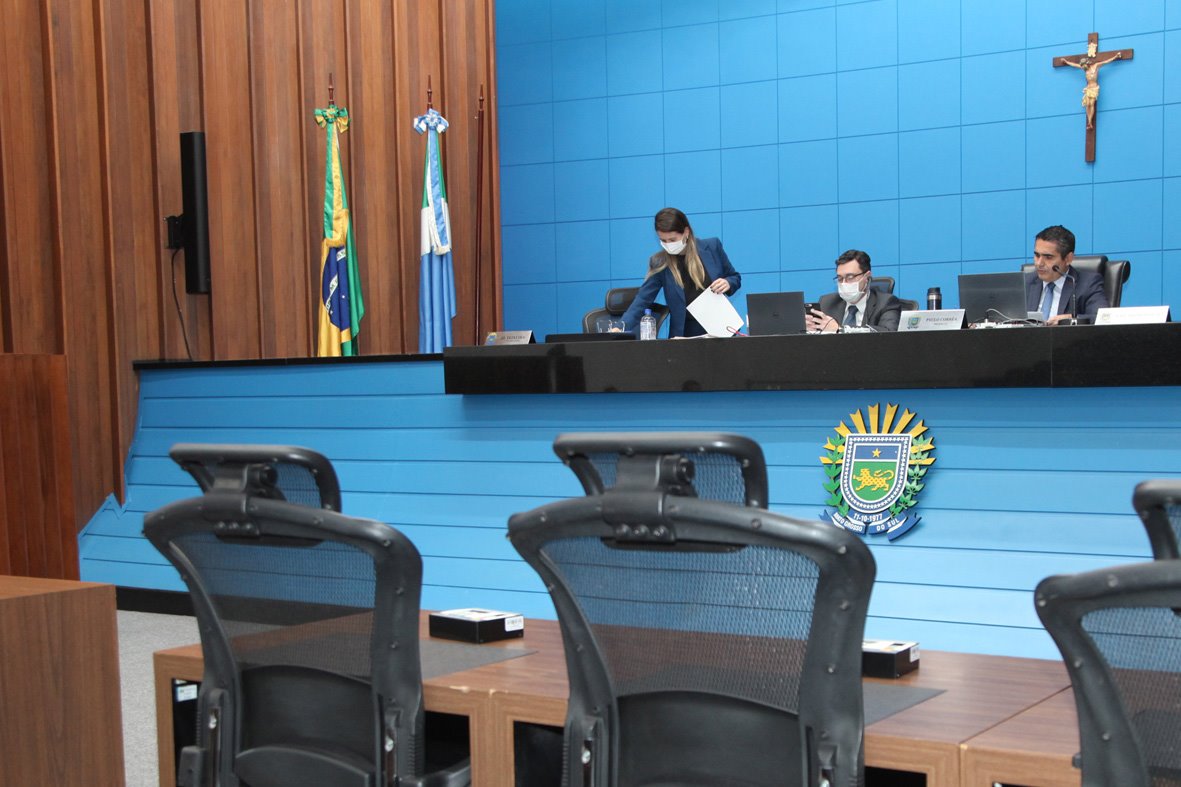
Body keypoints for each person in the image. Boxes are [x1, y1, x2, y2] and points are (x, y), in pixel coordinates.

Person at [620, 207, 741, 338]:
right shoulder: (659, 262)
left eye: (672, 240)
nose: (668, 244)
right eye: (663, 240)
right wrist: (621, 327)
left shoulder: (712, 246)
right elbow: (643, 299)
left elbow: (734, 277)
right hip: (684, 335)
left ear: (686, 232)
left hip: (721, 328)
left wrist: (728, 282)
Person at [1026, 225, 1108, 324]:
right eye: (1037, 255)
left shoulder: (1088, 284)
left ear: (1068, 259)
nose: (1039, 263)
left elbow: (1102, 318)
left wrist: (1070, 319)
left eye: (1048, 257)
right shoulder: (1026, 283)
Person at [806, 250, 902, 333]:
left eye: (850, 277)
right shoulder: (827, 302)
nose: (844, 283)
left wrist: (840, 329)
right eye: (840, 278)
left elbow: (889, 333)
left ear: (867, 277)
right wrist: (810, 330)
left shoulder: (886, 303)